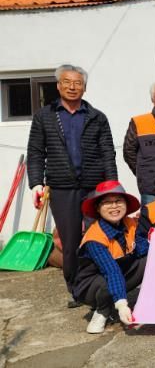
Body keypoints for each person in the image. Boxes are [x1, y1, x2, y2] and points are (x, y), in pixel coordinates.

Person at [27, 64, 117, 307]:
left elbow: (107, 153)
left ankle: (100, 282)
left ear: (84, 88)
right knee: (70, 242)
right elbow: (35, 152)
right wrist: (36, 183)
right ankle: (76, 288)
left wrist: (111, 186)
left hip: (94, 187)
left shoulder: (97, 117)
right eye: (67, 82)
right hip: (61, 187)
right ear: (58, 86)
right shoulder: (44, 116)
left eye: (78, 83)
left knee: (98, 237)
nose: (72, 87)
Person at [72, 181, 146, 334]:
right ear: (98, 208)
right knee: (107, 283)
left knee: (149, 261)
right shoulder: (94, 237)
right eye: (107, 203)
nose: (114, 206)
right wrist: (122, 305)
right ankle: (102, 310)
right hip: (91, 284)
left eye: (118, 201)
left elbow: (143, 248)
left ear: (126, 204)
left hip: (121, 272)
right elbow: (111, 270)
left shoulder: (131, 223)